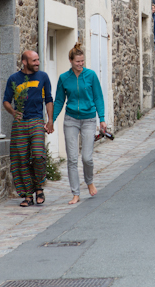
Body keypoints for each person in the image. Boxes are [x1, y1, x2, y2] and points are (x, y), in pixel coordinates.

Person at [52, 43, 107, 205]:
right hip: (71, 120)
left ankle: (89, 181)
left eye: (82, 61)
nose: (80, 64)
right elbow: (59, 101)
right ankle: (75, 193)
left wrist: (102, 118)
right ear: (70, 60)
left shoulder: (90, 76)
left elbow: (98, 97)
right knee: (72, 159)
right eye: (77, 61)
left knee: (87, 158)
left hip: (89, 119)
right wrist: (51, 120)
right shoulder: (64, 78)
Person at [3, 51, 54, 207]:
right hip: (20, 124)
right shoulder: (13, 79)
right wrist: (13, 112)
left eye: (38, 59)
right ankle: (27, 195)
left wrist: (50, 120)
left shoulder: (43, 77)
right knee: (21, 160)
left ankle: (39, 187)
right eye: (34, 60)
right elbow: (6, 101)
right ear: (24, 62)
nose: (38, 62)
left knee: (38, 155)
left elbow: (49, 99)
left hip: (37, 121)